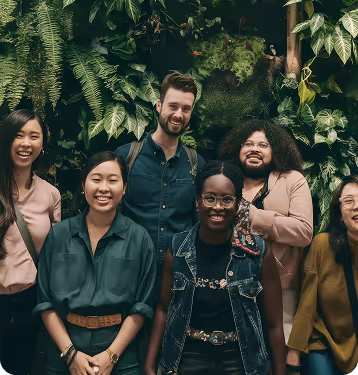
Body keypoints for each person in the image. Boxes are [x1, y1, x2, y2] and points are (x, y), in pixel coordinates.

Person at [145, 161, 286, 375]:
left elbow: (274, 323)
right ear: (198, 201)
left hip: (241, 360)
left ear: (238, 204)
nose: (217, 207)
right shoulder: (177, 250)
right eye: (210, 198)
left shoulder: (257, 252)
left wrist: (280, 371)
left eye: (227, 199)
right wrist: (149, 365)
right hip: (187, 357)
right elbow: (163, 309)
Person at [35, 150, 157, 375]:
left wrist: (111, 355)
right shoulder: (59, 235)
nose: (104, 188)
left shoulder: (139, 239)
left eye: (113, 180)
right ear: (83, 185)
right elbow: (45, 302)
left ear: (124, 188)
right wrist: (71, 354)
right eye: (96, 179)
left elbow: (142, 305)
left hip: (121, 355)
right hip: (64, 351)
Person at [219, 119, 313, 343]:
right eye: (248, 143)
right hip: (228, 288)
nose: (254, 149)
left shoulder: (292, 180)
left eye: (263, 145)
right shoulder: (225, 181)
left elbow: (304, 231)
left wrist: (253, 216)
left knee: (278, 352)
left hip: (281, 289)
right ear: (237, 149)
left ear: (276, 150)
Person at [116, 73, 206, 275]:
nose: (179, 114)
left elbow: (199, 221)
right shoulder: (126, 157)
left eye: (186, 109)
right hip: (129, 270)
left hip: (178, 274)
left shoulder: (196, 164)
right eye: (172, 106)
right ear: (159, 105)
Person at [0, 109, 61, 375]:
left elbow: (55, 255)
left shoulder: (50, 194)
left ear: (42, 145)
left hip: (28, 305)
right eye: (18, 135)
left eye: (34, 136)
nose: (26, 143)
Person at [286, 175, 358, 375]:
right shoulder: (322, 245)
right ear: (340, 213)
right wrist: (294, 352)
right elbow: (307, 302)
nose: (356, 206)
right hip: (323, 341)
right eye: (349, 201)